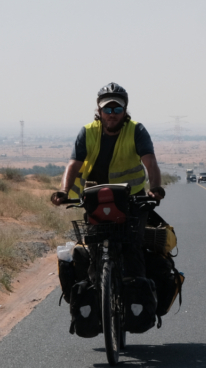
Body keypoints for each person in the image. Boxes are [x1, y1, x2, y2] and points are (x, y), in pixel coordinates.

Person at [51, 82, 165, 284]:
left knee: (133, 248)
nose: (112, 114)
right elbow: (73, 165)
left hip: (133, 198)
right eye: (107, 109)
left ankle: (137, 301)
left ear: (124, 110)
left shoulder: (136, 130)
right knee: (95, 250)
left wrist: (155, 188)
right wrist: (63, 190)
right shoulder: (87, 132)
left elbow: (150, 162)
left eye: (117, 109)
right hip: (97, 198)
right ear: (99, 110)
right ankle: (99, 298)